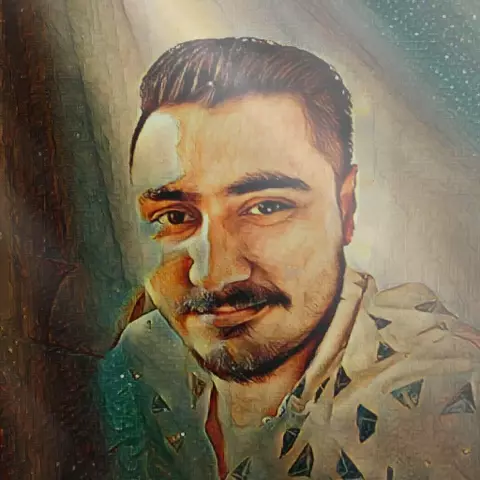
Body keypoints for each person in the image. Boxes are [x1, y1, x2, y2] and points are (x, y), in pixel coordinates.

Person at [98, 37, 480, 480]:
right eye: (175, 216)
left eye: (266, 207)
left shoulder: (447, 402)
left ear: (346, 210)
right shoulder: (141, 361)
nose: (212, 272)